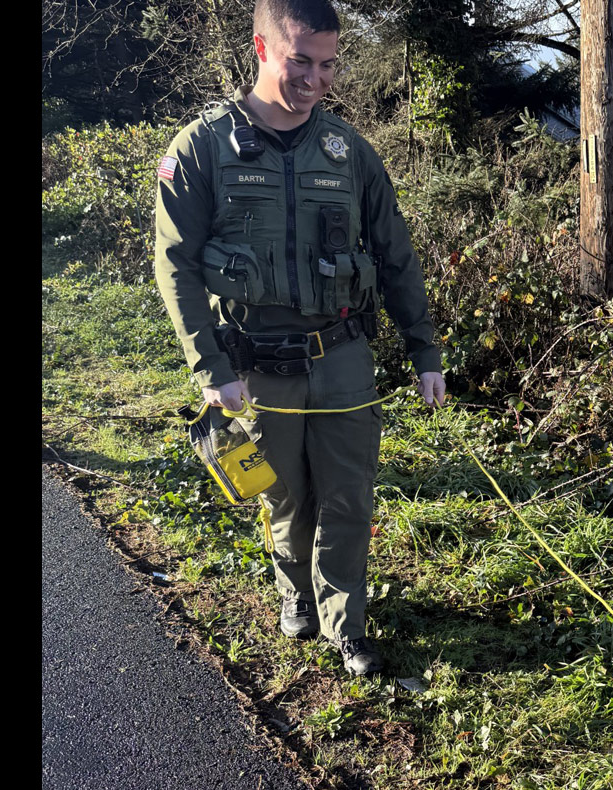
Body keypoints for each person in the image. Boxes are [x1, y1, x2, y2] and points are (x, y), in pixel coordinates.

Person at [155, 0, 445, 677]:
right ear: (262, 48)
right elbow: (175, 265)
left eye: (328, 64)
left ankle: (347, 623)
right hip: (257, 365)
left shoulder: (349, 152)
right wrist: (210, 367)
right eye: (301, 61)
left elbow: (396, 255)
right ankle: (296, 597)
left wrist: (424, 351)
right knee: (282, 493)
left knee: (348, 497)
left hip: (342, 354)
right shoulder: (201, 148)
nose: (317, 79)